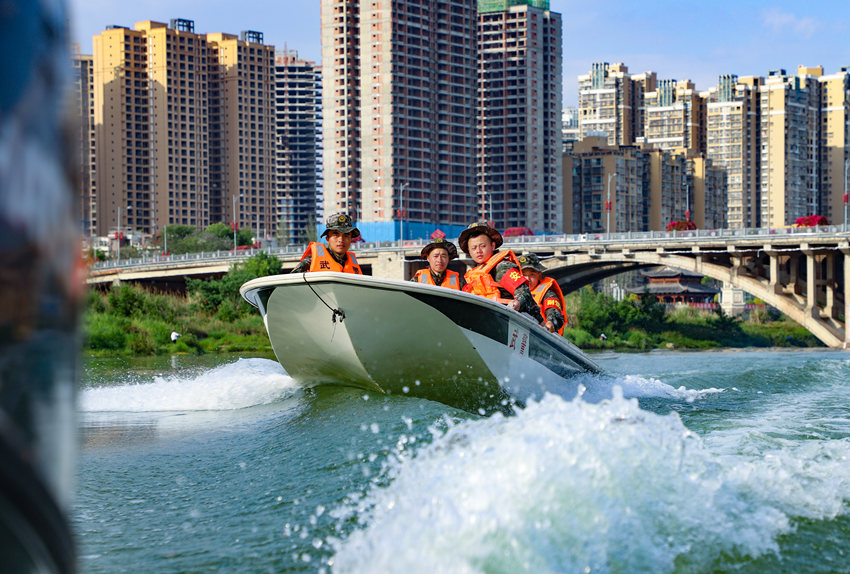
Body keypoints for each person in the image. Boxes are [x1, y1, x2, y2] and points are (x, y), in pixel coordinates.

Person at [458, 222, 543, 322]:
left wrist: (517, 304)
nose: (478, 251)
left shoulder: (502, 267)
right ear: (469, 250)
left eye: (483, 246)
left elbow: (524, 292)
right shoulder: (474, 274)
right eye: (474, 248)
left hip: (509, 319)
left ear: (493, 246)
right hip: (485, 317)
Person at [291, 213, 363, 274]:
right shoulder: (312, 260)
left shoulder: (352, 263)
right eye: (336, 235)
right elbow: (291, 281)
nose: (341, 240)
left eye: (346, 235)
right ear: (327, 239)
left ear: (351, 239)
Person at [518, 253, 566, 334]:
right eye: (523, 275)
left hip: (540, 334)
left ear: (539, 275)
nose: (527, 279)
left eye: (532, 275)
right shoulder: (513, 290)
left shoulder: (548, 293)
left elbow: (554, 312)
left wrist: (550, 324)